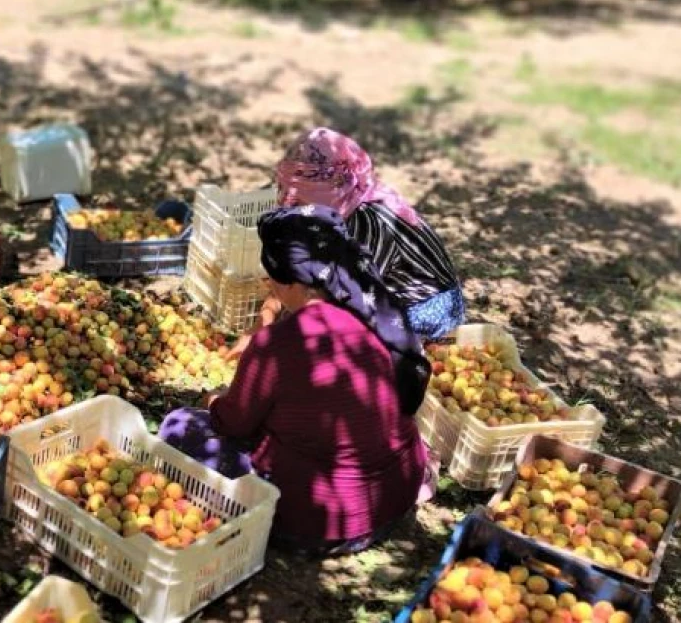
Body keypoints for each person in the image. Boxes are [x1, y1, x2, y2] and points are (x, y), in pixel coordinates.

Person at [159, 205, 436, 556]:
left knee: (179, 426)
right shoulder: (372, 316)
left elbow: (234, 423)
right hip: (392, 499)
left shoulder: (277, 344)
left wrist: (213, 400)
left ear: (289, 281)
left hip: (316, 522)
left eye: (271, 276)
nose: (268, 284)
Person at [230, 127, 464, 358]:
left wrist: (280, 338)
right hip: (378, 291)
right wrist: (266, 317)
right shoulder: (335, 207)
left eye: (302, 199)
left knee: (344, 349)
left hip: (423, 310)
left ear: (330, 191)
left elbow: (353, 299)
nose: (292, 204)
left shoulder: (369, 223)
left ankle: (426, 349)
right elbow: (294, 268)